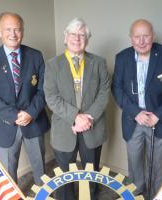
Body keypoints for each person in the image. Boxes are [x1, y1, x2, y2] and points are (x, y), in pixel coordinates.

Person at [0, 12, 50, 185]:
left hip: (34, 121)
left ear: (23, 31)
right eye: (8, 29)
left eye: (17, 29)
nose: (13, 34)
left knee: (40, 168)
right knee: (8, 175)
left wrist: (30, 113)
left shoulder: (36, 55)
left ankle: (44, 196)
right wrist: (14, 115)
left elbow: (44, 89)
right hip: (4, 125)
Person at [112, 19, 162, 199]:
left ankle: (154, 195)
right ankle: (136, 194)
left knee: (156, 166)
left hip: (158, 121)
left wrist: (157, 115)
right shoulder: (122, 57)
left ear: (153, 36)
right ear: (131, 38)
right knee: (134, 164)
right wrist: (136, 113)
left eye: (146, 36)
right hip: (133, 119)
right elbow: (117, 89)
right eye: (137, 37)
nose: (142, 41)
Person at [43, 18, 110, 200]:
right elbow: (51, 97)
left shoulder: (99, 63)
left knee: (91, 175)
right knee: (65, 178)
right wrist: (75, 117)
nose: (77, 38)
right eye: (73, 33)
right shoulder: (52, 65)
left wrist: (87, 118)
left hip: (92, 127)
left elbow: (104, 93)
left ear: (87, 39)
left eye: (82, 34)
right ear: (65, 37)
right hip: (65, 129)